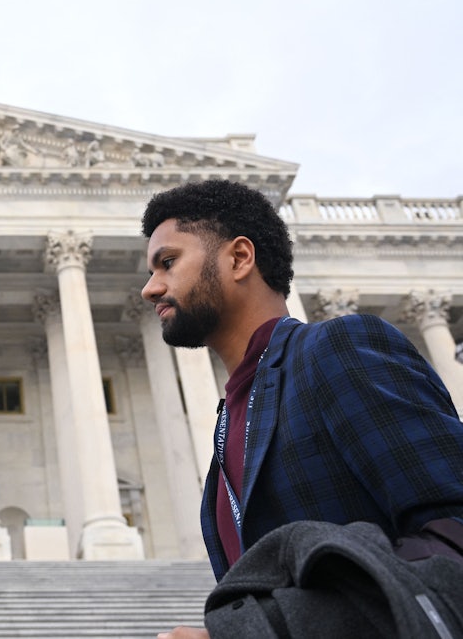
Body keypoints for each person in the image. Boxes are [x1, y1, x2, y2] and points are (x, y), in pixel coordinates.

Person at [139, 180, 463, 639]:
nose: (150, 289)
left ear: (239, 258)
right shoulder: (230, 421)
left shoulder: (338, 349)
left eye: (168, 262)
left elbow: (454, 533)